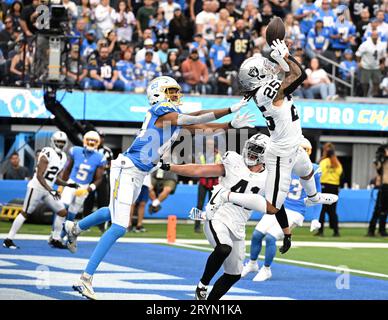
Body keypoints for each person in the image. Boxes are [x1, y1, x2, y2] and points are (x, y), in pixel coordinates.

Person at [64, 76, 254, 300]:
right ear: (158, 94)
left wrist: (229, 125)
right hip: (128, 168)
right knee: (119, 226)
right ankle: (85, 278)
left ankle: (74, 228)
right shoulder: (161, 111)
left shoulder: (170, 120)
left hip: (138, 172)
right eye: (171, 91)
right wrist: (229, 109)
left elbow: (200, 127)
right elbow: (194, 117)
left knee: (112, 211)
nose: (175, 96)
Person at [237, 39, 338, 253]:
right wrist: (286, 56)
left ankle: (313, 198)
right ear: (256, 77)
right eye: (263, 68)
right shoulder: (266, 94)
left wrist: (282, 56)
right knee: (273, 206)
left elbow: (286, 76)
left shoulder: (266, 90)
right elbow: (299, 75)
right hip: (281, 154)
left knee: (308, 172)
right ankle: (230, 197)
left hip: (294, 146)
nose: (267, 68)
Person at [159, 133, 268, 300]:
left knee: (234, 274)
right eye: (250, 148)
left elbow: (275, 205)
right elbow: (199, 169)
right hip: (217, 216)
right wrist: (170, 167)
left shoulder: (270, 176)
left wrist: (286, 230)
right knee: (224, 247)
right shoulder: (233, 161)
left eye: (257, 150)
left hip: (238, 226)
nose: (251, 153)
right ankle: (202, 285)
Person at [241, 138, 322, 281]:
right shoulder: (284, 165)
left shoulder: (312, 169)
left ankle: (266, 269)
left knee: (270, 238)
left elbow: (317, 195)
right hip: (279, 207)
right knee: (256, 235)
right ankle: (253, 264)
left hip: (296, 212)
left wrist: (316, 217)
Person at [3, 132, 79, 249]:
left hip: (47, 190)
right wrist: (51, 190)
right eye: (58, 141)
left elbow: (54, 178)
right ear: (53, 141)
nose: (60, 144)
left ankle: (55, 239)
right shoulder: (47, 152)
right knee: (25, 213)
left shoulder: (63, 157)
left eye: (62, 142)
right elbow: (39, 175)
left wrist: (67, 184)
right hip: (37, 187)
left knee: (62, 212)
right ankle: (8, 240)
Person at [60, 131, 106, 241]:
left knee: (72, 213)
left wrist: (89, 189)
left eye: (94, 141)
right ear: (85, 140)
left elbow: (99, 178)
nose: (91, 142)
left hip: (84, 186)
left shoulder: (100, 157)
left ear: (98, 142)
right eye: (89, 139)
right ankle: (55, 234)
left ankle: (63, 235)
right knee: (63, 207)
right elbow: (67, 169)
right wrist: (62, 184)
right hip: (71, 182)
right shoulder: (75, 150)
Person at [83, 131, 113, 232]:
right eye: (100, 137)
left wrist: (103, 167)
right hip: (90, 177)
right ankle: (85, 224)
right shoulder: (90, 149)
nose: (101, 139)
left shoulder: (107, 151)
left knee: (103, 201)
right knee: (88, 200)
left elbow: (111, 164)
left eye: (103, 137)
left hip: (102, 179)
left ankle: (102, 225)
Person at [194, 139, 222, 233]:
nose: (209, 146)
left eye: (211, 145)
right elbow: (198, 167)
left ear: (214, 145)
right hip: (203, 181)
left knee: (212, 205)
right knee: (199, 204)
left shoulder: (219, 155)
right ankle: (196, 226)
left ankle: (211, 226)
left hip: (214, 183)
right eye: (208, 145)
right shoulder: (202, 155)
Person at [316, 142, 343, 237]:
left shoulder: (323, 162)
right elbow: (340, 173)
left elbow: (319, 173)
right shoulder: (337, 163)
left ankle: (320, 230)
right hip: (334, 187)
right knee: (332, 211)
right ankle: (336, 231)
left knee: (322, 210)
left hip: (324, 186)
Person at [356, 30, 387, 97]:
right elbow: (358, 54)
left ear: (378, 36)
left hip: (376, 66)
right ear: (371, 36)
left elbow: (383, 55)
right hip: (366, 66)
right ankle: (365, 95)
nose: (375, 37)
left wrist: (382, 64)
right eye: (373, 35)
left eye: (376, 35)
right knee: (365, 82)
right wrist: (359, 62)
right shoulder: (365, 44)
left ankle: (374, 95)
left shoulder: (381, 45)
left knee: (377, 82)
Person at [367, 145, 388, 237]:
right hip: (384, 186)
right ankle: (372, 230)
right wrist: (379, 161)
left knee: (384, 210)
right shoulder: (382, 161)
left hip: (385, 186)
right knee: (378, 209)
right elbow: (379, 170)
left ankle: (381, 230)